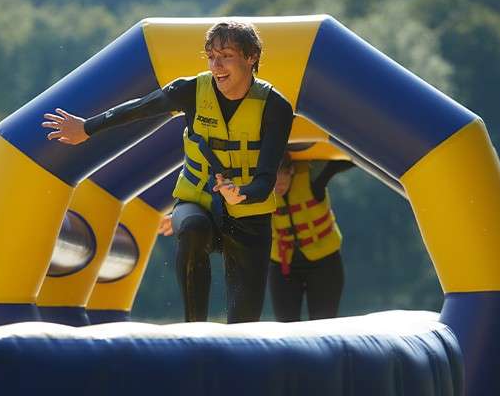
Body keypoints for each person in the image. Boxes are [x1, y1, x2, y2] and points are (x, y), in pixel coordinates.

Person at [42, 21, 293, 323]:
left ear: (251, 57)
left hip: (249, 214)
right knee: (190, 228)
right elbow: (141, 108)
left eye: (225, 55)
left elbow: (266, 178)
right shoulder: (191, 90)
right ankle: (193, 328)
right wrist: (87, 127)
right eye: (211, 56)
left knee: (245, 323)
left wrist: (242, 194)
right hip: (198, 202)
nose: (216, 65)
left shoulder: (275, 107)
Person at [268, 152, 354, 322]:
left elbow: (349, 158)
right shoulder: (257, 183)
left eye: (283, 177)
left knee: (324, 326)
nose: (279, 185)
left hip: (324, 263)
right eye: (273, 180)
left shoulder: (313, 175)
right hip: (283, 265)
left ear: (291, 170)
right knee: (286, 328)